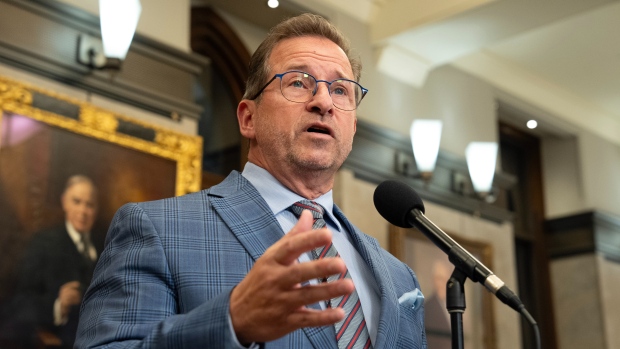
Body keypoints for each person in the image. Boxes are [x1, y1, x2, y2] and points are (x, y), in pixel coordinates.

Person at [76, 13, 427, 348]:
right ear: (248, 118)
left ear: (352, 126)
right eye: (298, 83)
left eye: (340, 90)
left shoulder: (400, 278)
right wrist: (230, 322)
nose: (323, 101)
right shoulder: (157, 230)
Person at [7, 175, 98, 348]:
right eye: (77, 202)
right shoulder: (44, 243)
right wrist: (58, 306)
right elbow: (20, 300)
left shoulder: (104, 245)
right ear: (64, 202)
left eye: (90, 205)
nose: (83, 211)